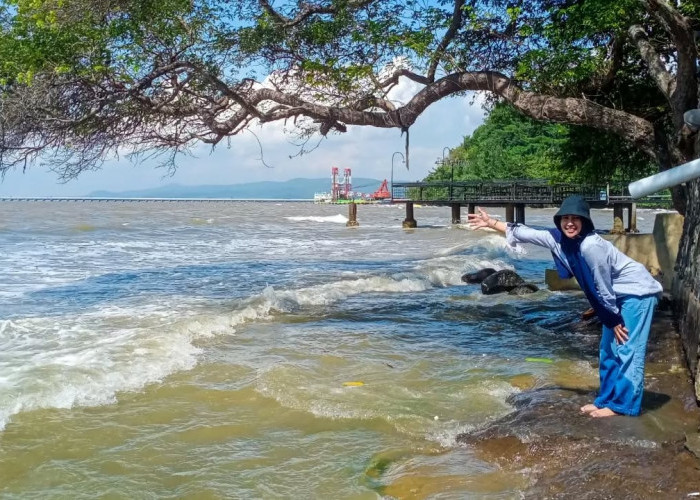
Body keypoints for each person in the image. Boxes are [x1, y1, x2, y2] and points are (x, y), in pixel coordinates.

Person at [467, 195, 663, 418]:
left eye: (575, 218)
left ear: (585, 221)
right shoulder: (556, 238)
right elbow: (524, 232)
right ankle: (606, 400)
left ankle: (624, 406)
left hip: (637, 292)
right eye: (565, 218)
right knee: (607, 350)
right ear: (559, 221)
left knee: (628, 349)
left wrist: (613, 319)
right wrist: (491, 223)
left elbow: (602, 286)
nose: (570, 223)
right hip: (615, 295)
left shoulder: (591, 246)